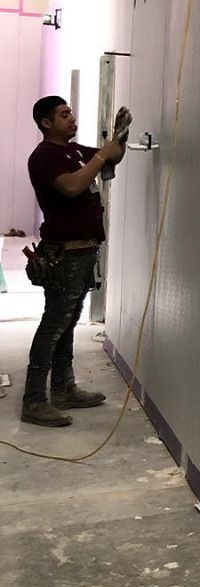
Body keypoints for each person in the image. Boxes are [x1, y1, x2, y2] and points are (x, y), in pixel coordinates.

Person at [21, 96, 130, 428]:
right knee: (54, 324)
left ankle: (64, 388)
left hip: (82, 253)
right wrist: (101, 154)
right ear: (46, 123)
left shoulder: (74, 151)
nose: (72, 118)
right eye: (64, 115)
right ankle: (35, 400)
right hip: (63, 254)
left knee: (67, 322)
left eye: (71, 113)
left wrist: (119, 136)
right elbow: (72, 186)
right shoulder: (44, 156)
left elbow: (110, 159)